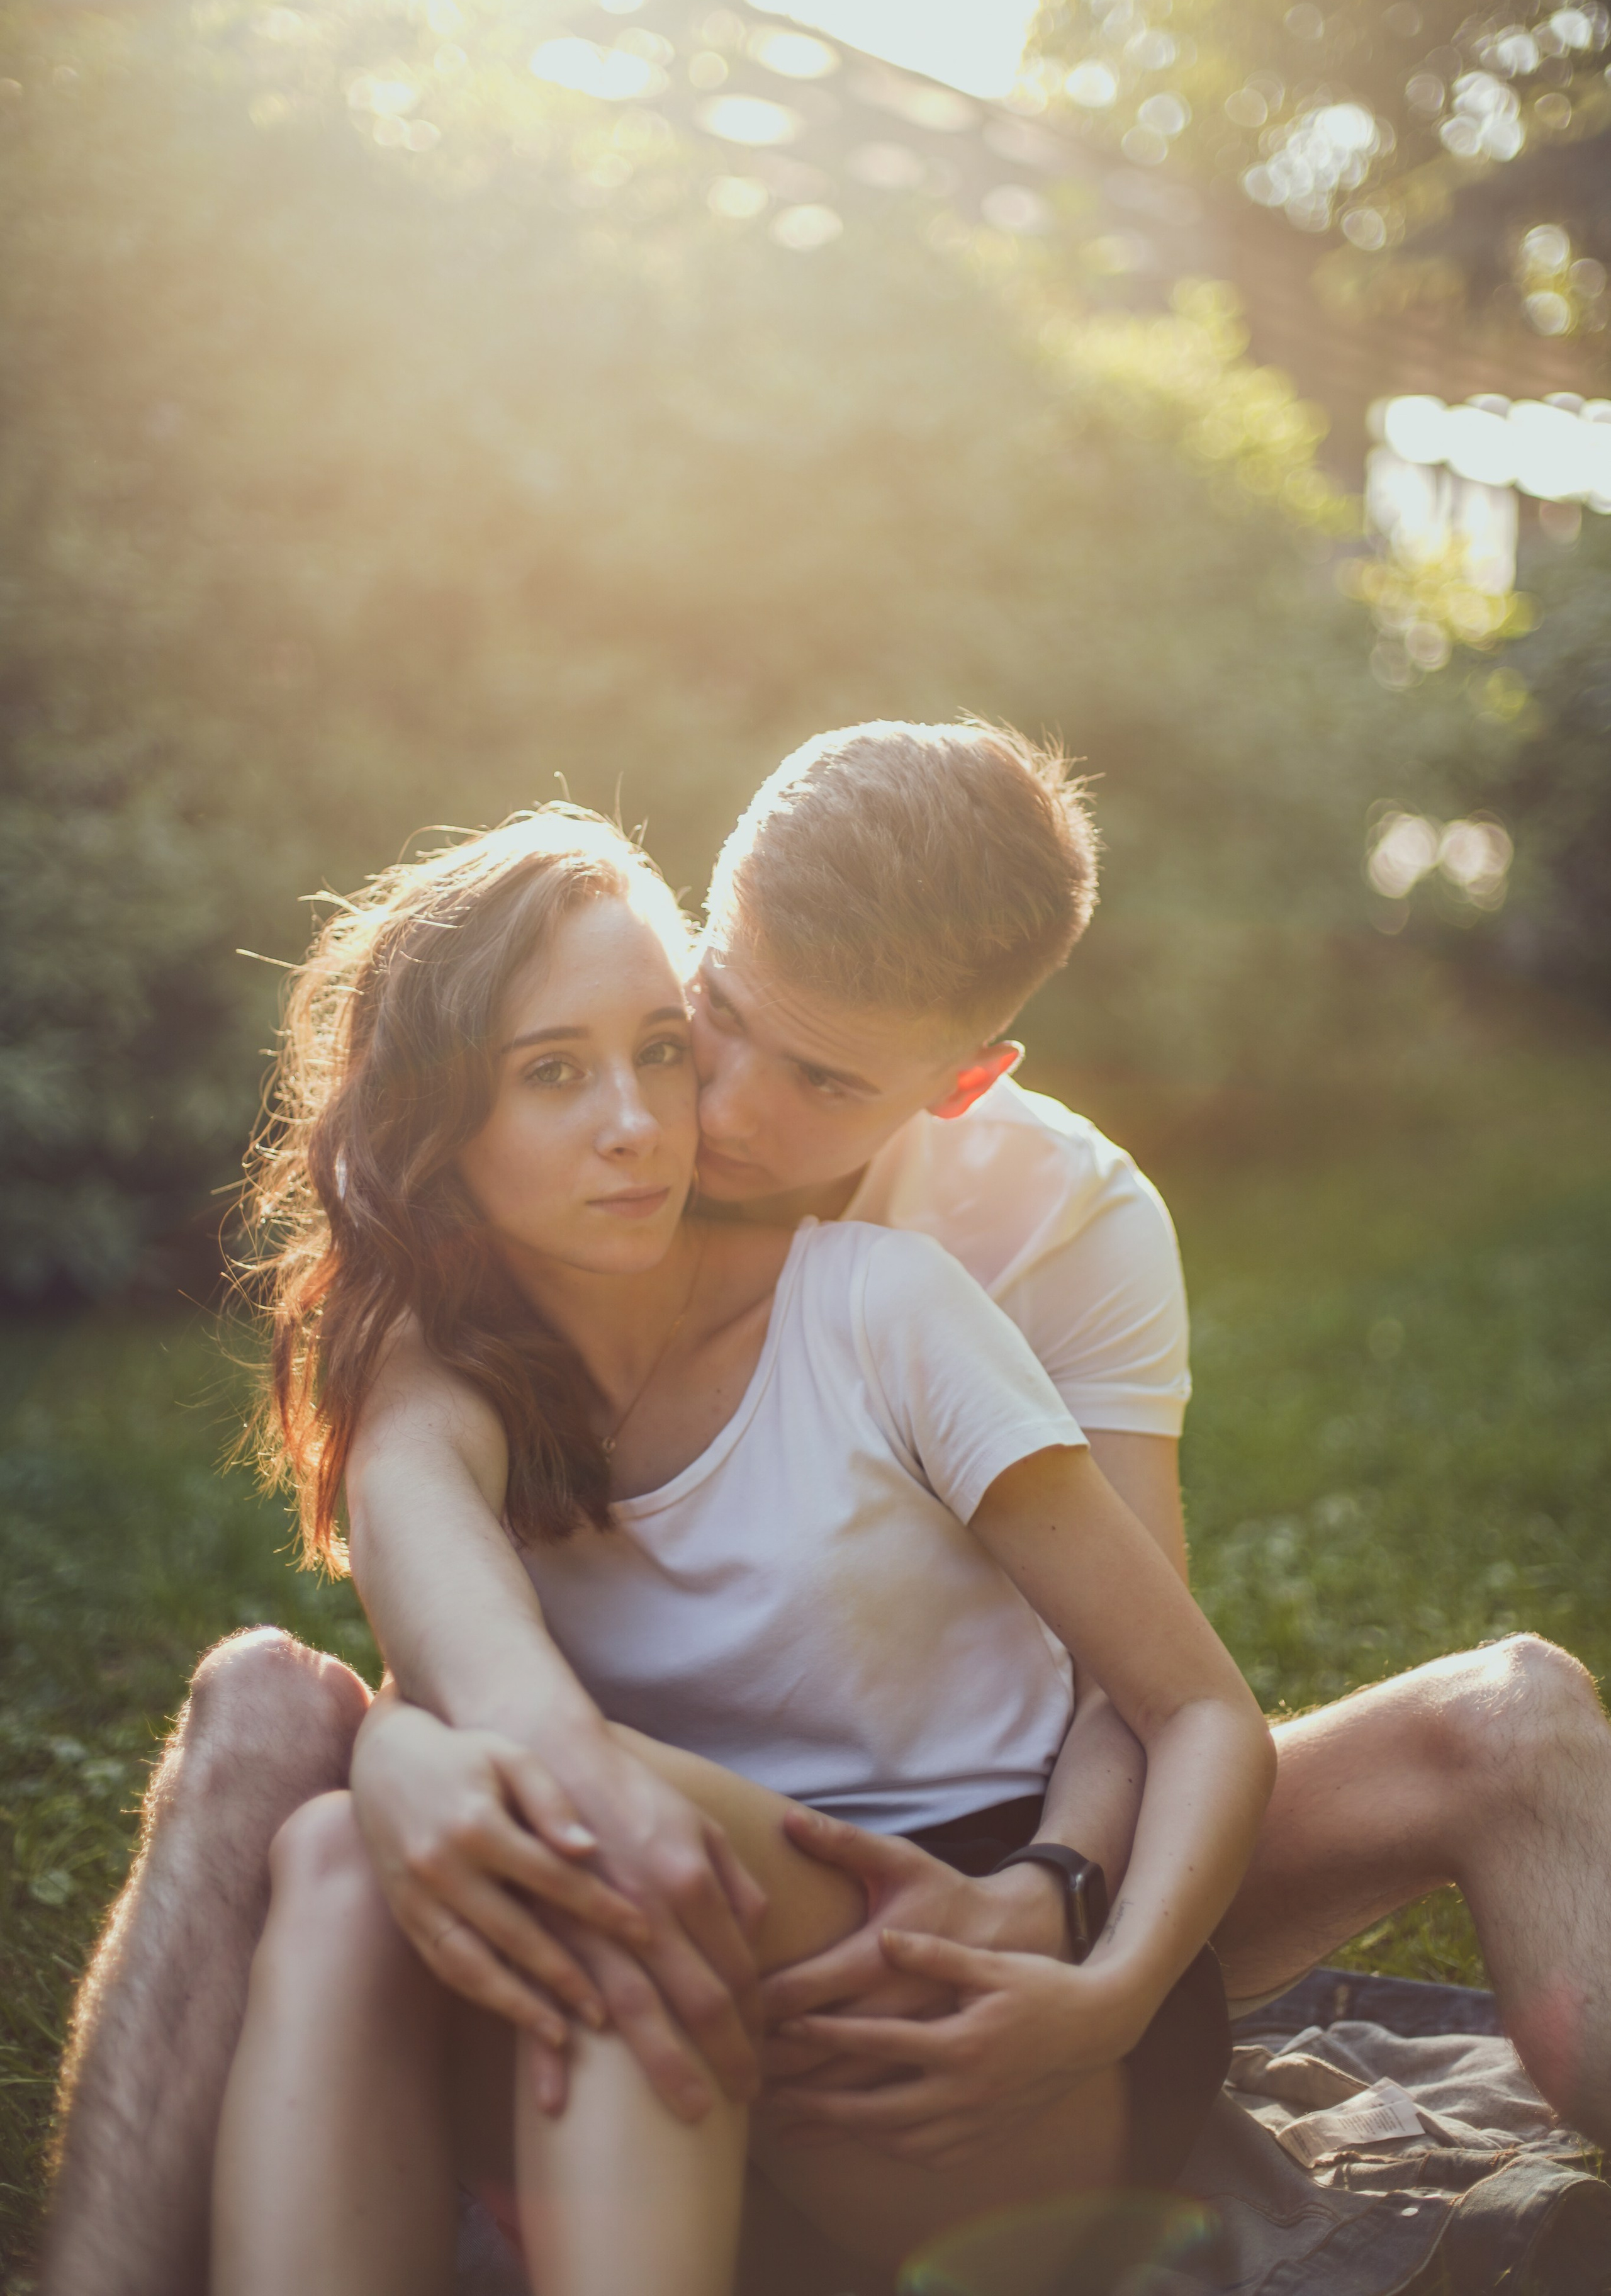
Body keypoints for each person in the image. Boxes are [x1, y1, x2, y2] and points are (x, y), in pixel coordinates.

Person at [40, 723, 1611, 2296]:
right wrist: (403, 1754)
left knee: (1507, 1714)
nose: (701, 1109)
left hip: (939, 1859)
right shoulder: (521, 1223)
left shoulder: (1035, 1234)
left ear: (960, 1081)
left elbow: (1146, 1683)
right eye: (705, 1017)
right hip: (617, 1835)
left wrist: (1067, 1917)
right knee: (285, 1751)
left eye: (820, 1078)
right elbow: (464, 1648)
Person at [209, 801, 1274, 2294]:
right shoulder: (434, 1383)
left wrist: (1105, 1983)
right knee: (337, 1855)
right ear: (433, 1119)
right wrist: (393, 1762)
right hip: (656, 1953)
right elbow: (466, 1663)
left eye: (656, 1047)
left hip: (965, 2006)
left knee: (598, 1838)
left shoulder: (882, 1304)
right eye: (554, 1074)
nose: (647, 1120)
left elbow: (1200, 1704)